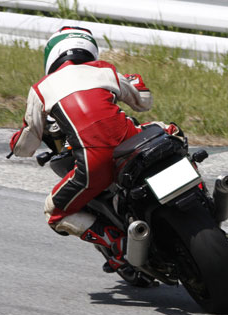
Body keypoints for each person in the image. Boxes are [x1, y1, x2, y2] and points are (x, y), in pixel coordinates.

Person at [9, 26, 154, 272]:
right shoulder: (105, 70)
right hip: (135, 143)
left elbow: (26, 146)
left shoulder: (41, 89)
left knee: (53, 212)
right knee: (169, 131)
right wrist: (135, 81)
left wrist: (14, 143)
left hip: (95, 161)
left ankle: (116, 243)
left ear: (52, 55)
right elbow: (144, 102)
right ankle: (200, 192)